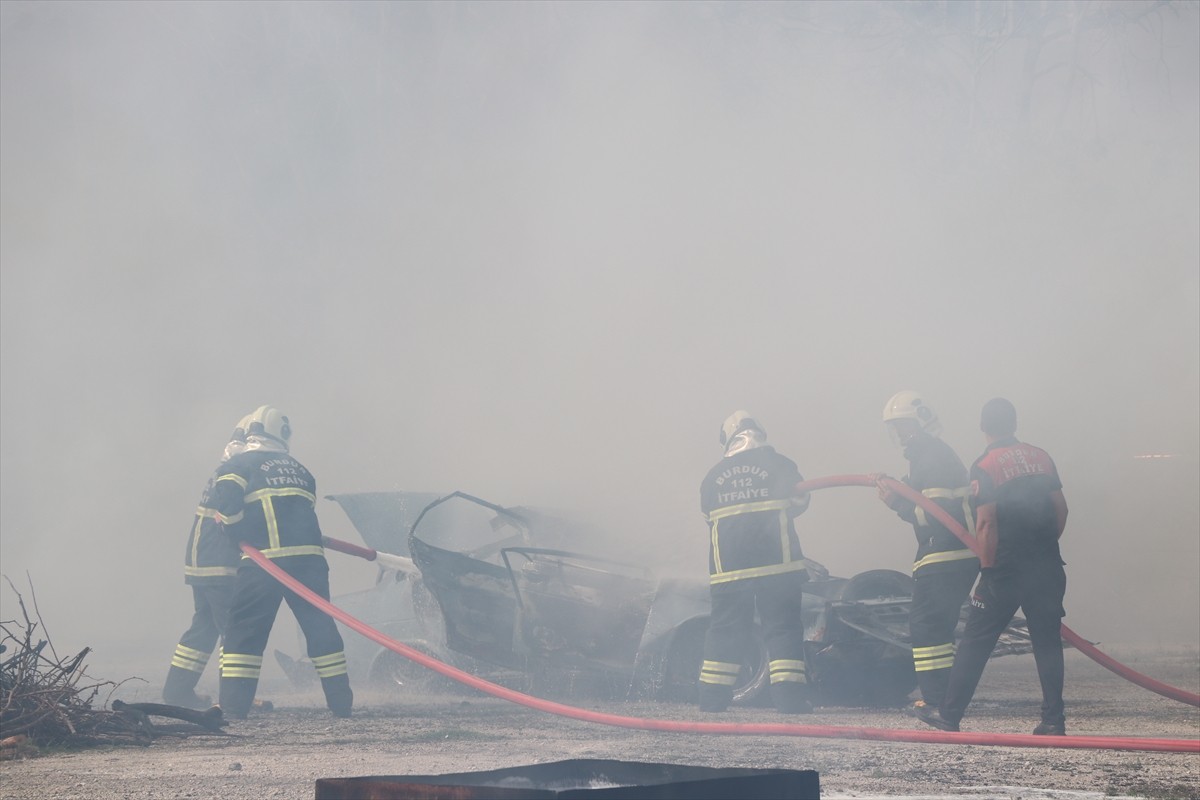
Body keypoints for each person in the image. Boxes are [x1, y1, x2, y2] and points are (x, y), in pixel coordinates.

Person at [916, 398, 1069, 735]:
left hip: (1005, 570)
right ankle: (1053, 720)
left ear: (983, 426)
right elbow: (1062, 509)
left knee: (975, 640)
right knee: (1047, 642)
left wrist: (987, 570)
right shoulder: (1041, 457)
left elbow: (985, 524)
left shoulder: (985, 464)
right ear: (1014, 423)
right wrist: (1042, 548)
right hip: (1047, 565)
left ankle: (949, 715)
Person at [212, 405, 353, 719]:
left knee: (244, 633)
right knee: (320, 629)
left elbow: (227, 502)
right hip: (311, 563)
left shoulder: (240, 463)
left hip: (264, 563)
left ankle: (234, 709)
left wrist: (231, 528)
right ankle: (341, 703)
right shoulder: (301, 470)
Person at [697, 410, 813, 714]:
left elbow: (709, 517)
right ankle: (790, 701)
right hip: (778, 567)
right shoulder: (781, 465)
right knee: (783, 628)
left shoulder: (712, 477)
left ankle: (712, 700)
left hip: (729, 571)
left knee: (724, 630)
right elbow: (800, 502)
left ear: (728, 438)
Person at [876, 391, 979, 715]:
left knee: (926, 625)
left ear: (920, 422)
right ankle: (946, 697)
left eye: (904, 426)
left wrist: (898, 503)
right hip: (951, 552)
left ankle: (937, 700)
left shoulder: (931, 455)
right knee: (937, 625)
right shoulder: (929, 455)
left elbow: (935, 514)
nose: (901, 434)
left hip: (945, 552)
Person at [161, 415, 251, 709]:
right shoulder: (239, 471)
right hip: (219, 564)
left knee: (204, 627)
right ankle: (233, 698)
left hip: (202, 561)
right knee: (232, 628)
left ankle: (177, 691)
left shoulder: (224, 469)